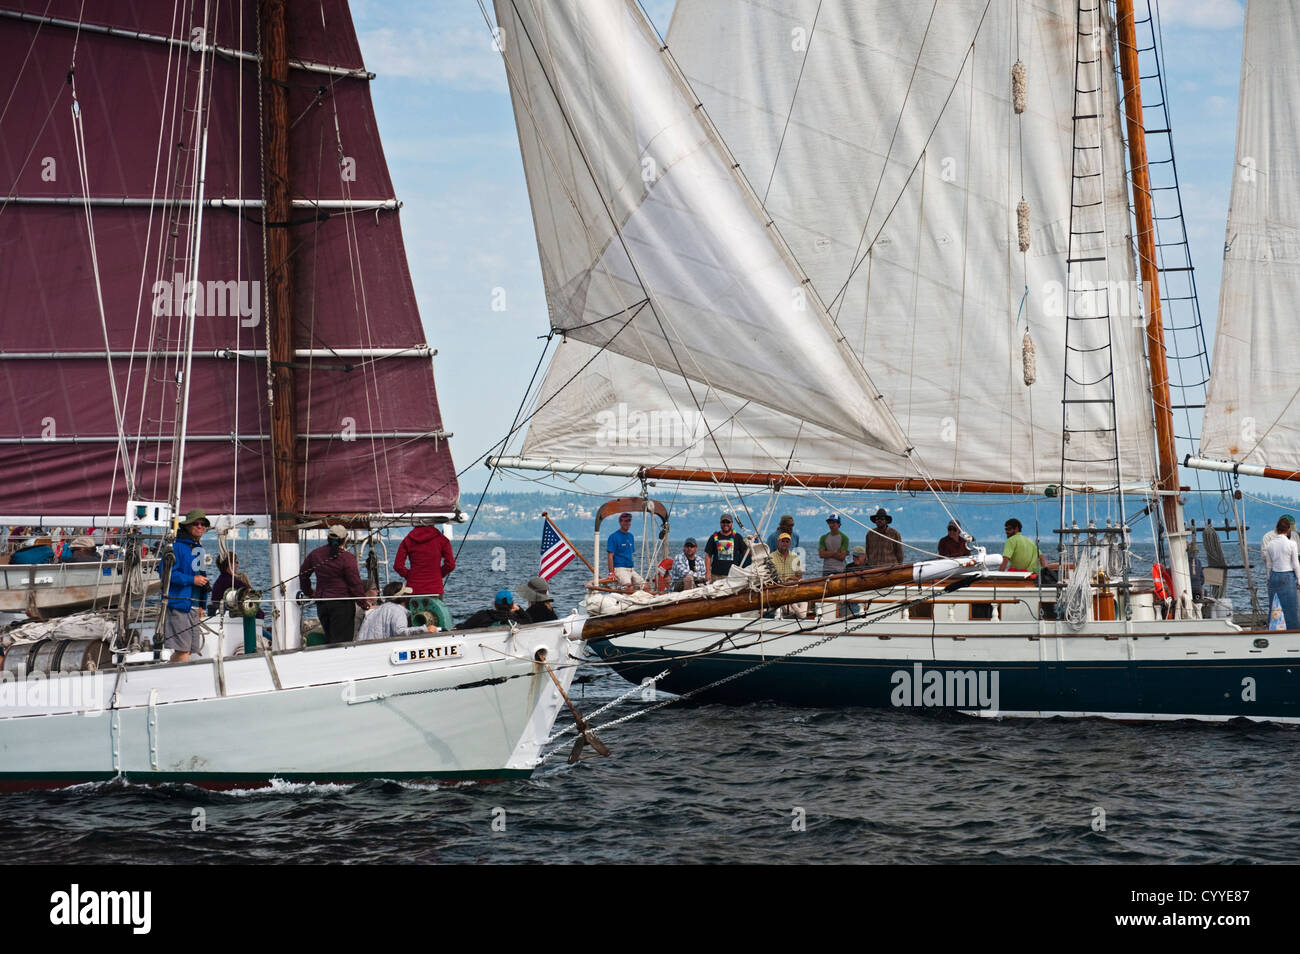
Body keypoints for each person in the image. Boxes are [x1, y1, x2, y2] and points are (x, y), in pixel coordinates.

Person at [299, 524, 367, 644]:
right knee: (342, 642)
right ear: (345, 539)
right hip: (342, 605)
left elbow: (303, 575)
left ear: (328, 538)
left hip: (322, 604)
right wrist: (364, 603)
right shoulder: (348, 558)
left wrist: (309, 592)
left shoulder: (315, 554)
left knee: (330, 639)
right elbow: (355, 584)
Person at [159, 509, 211, 663]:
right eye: (196, 523)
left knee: (189, 649)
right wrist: (191, 580)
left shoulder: (200, 549)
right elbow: (166, 574)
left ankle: (168, 674)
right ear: (188, 526)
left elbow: (203, 577)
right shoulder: (175, 548)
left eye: (203, 524)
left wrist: (202, 604)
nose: (200, 526)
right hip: (179, 604)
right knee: (183, 650)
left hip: (194, 607)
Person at [357, 582, 440, 641]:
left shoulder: (378, 610)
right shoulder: (397, 611)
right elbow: (400, 631)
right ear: (403, 596)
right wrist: (425, 629)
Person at [393, 525, 455, 597]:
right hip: (435, 588)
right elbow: (450, 565)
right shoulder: (442, 539)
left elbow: (398, 566)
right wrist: (438, 574)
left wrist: (410, 576)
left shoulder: (408, 540)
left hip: (413, 588)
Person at [1264, 516, 1300, 630]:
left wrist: (1269, 579)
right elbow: (1295, 564)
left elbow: (1269, 565)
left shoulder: (1270, 544)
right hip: (1287, 575)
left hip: (1274, 576)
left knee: (1274, 607)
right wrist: (1299, 579)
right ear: (1288, 529)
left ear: (1277, 529)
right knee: (1290, 608)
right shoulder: (1292, 544)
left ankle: (1274, 630)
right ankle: (1292, 631)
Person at [766, 532, 807, 619]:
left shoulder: (795, 557)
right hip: (778, 591)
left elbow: (799, 576)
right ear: (778, 543)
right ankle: (796, 611)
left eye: (787, 541)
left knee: (803, 603)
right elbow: (767, 577)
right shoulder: (770, 557)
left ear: (790, 544)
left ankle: (796, 609)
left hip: (793, 590)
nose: (785, 543)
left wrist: (791, 579)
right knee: (793, 611)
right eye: (783, 541)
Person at [606, 512, 646, 589]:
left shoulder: (631, 536)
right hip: (620, 569)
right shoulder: (613, 537)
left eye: (629, 521)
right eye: (625, 521)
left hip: (631, 569)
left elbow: (629, 553)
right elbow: (610, 556)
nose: (628, 523)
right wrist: (611, 573)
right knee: (629, 587)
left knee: (646, 586)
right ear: (620, 522)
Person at [705, 513, 749, 582]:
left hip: (732, 575)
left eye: (728, 522)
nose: (725, 524)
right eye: (723, 522)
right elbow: (708, 556)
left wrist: (753, 544)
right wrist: (707, 572)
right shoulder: (713, 537)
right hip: (716, 575)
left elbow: (746, 553)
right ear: (720, 523)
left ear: (732, 523)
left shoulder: (738, 537)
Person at [455, 589, 529, 629]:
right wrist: (519, 609)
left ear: (495, 604)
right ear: (512, 605)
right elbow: (529, 621)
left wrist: (457, 626)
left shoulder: (482, 615)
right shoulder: (515, 620)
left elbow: (465, 627)